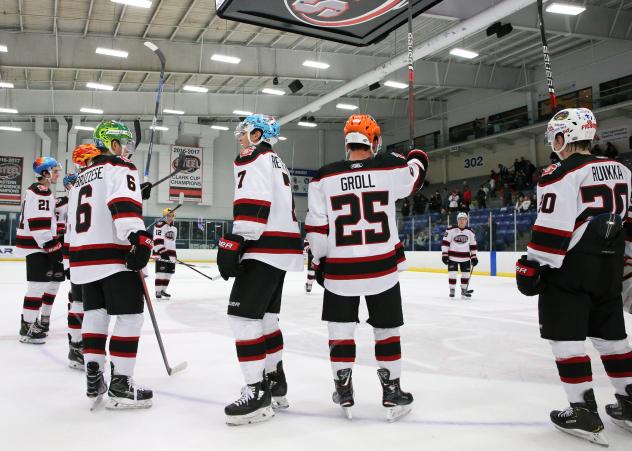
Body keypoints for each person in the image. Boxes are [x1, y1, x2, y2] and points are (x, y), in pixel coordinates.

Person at [515, 108, 632, 446]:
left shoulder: (559, 172)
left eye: (555, 137)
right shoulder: (623, 170)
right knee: (612, 339)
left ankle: (582, 410)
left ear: (564, 137)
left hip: (570, 268)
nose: (554, 144)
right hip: (609, 267)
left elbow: (552, 227)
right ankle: (629, 400)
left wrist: (532, 265)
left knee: (566, 340)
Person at [305, 114, 427, 422]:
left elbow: (317, 228)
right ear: (373, 141)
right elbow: (414, 177)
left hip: (340, 270)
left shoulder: (322, 177)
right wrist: (417, 157)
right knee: (387, 331)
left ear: (347, 141)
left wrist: (319, 261)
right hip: (382, 268)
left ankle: (343, 391)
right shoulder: (388, 167)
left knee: (340, 331)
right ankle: (392, 392)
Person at [216, 114, 303, 425]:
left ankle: (257, 394)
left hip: (264, 247)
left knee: (242, 317)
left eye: (244, 134)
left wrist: (238, 239)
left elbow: (254, 202)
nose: (240, 139)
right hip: (282, 249)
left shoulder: (252, 156)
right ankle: (275, 381)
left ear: (257, 134)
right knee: (267, 318)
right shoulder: (276, 160)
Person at [67, 121, 154, 409]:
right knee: (130, 316)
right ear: (113, 144)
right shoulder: (120, 166)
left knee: (95, 313)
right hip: (113, 256)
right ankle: (121, 385)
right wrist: (139, 238)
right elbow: (122, 206)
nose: (127, 149)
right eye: (124, 143)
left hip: (83, 259)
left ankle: (94, 376)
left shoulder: (79, 179)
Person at [15, 157, 63, 344]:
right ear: (45, 173)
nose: (58, 174)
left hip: (37, 245)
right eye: (55, 170)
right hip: (37, 246)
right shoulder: (41, 192)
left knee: (38, 287)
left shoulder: (39, 191)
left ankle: (28, 323)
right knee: (36, 287)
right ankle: (27, 327)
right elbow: (39, 225)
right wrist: (52, 246)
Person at [59, 171, 85, 370]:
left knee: (79, 302)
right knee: (79, 302)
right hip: (79, 259)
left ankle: (77, 344)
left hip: (78, 259)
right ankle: (76, 346)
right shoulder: (74, 202)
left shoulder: (74, 201)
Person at [441, 212, 478, 299]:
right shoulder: (450, 230)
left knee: (466, 274)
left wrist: (474, 256)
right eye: (460, 219)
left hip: (465, 258)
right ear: (457, 220)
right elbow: (445, 243)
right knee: (452, 274)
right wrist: (444, 255)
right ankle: (452, 290)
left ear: (466, 221)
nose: (462, 221)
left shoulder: (470, 232)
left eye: (464, 219)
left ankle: (464, 290)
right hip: (452, 257)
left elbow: (473, 245)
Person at [152, 208, 177, 300]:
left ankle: (163, 290)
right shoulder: (159, 225)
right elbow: (157, 240)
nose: (170, 218)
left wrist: (174, 255)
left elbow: (173, 242)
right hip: (161, 254)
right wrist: (162, 252)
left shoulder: (174, 228)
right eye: (168, 216)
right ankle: (158, 291)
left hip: (171, 255)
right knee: (161, 273)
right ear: (164, 216)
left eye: (172, 216)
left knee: (168, 274)